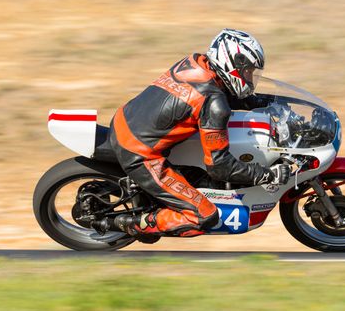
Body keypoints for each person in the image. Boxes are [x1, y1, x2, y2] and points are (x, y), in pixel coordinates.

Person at [110, 29, 291, 238]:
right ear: (231, 65)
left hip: (125, 119)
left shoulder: (195, 63)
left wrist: (264, 101)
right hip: (139, 153)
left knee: (207, 184)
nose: (250, 79)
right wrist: (267, 175)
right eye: (248, 72)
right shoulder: (214, 104)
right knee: (204, 216)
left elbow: (216, 92)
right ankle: (138, 223)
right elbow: (219, 166)